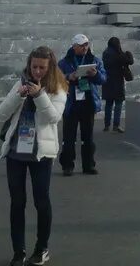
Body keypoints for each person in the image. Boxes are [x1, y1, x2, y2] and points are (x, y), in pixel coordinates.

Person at [0, 46, 68, 266]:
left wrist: (39, 95)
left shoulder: (58, 89)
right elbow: (0, 114)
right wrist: (18, 97)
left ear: (50, 68)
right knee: (17, 202)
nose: (37, 71)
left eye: (42, 68)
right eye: (34, 66)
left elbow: (54, 118)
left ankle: (42, 248)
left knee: (41, 200)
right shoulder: (20, 83)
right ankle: (19, 251)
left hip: (41, 154)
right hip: (16, 152)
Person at [57, 34, 106, 176]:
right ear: (74, 46)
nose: (85, 47)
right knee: (68, 138)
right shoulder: (64, 62)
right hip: (71, 103)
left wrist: (95, 74)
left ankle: (88, 165)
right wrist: (68, 77)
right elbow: (56, 80)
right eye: (82, 45)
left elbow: (103, 79)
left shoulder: (95, 60)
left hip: (88, 103)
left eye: (86, 44)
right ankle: (67, 166)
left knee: (88, 138)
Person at [101, 36, 133, 133]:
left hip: (107, 81)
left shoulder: (105, 53)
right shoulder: (119, 54)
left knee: (109, 104)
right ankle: (116, 125)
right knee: (118, 104)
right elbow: (130, 61)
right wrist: (129, 53)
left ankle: (106, 125)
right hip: (118, 81)